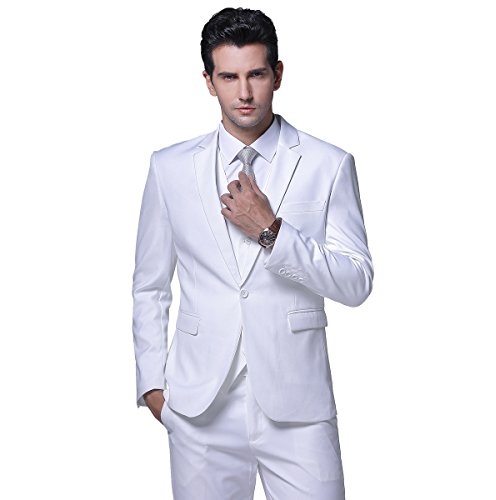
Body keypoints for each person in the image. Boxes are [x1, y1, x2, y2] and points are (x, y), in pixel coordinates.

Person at [132, 7, 373, 499]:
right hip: (200, 406)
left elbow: (356, 281)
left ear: (277, 74)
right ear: (209, 81)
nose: (244, 93)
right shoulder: (169, 168)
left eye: (256, 75)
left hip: (298, 405)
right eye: (229, 77)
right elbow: (150, 285)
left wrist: (272, 232)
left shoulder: (328, 164)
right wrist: (153, 387)